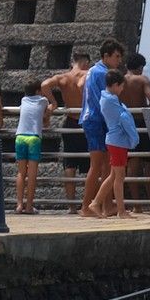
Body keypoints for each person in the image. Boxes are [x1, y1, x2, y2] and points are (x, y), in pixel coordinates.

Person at [79, 39, 125, 217]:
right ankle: (86, 206)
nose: (119, 60)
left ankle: (106, 205)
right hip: (97, 121)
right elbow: (104, 100)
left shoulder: (93, 71)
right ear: (106, 56)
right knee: (97, 164)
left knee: (106, 164)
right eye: (116, 56)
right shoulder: (103, 74)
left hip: (93, 119)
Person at [42, 50, 92, 211]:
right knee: (92, 164)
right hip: (86, 121)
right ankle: (88, 203)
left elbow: (44, 85)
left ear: (73, 62)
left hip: (70, 121)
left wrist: (53, 102)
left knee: (69, 164)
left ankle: (71, 206)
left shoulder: (63, 77)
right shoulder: (87, 73)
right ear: (85, 62)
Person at [87, 69, 139, 219]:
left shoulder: (106, 98)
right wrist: (134, 137)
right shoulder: (111, 100)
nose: (122, 90)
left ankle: (96, 203)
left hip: (115, 141)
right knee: (119, 177)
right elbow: (123, 118)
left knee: (113, 176)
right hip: (118, 142)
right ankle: (120, 211)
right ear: (115, 85)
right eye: (121, 86)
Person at [120, 52, 150, 211]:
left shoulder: (120, 80)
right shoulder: (142, 80)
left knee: (131, 165)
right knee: (148, 165)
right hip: (142, 124)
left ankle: (136, 205)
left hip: (125, 123)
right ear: (141, 67)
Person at [14, 78, 55, 214]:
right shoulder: (43, 101)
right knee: (32, 174)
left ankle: (19, 205)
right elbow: (50, 108)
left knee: (21, 173)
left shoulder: (23, 100)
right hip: (33, 138)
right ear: (38, 91)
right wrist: (49, 112)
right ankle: (29, 206)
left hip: (20, 137)